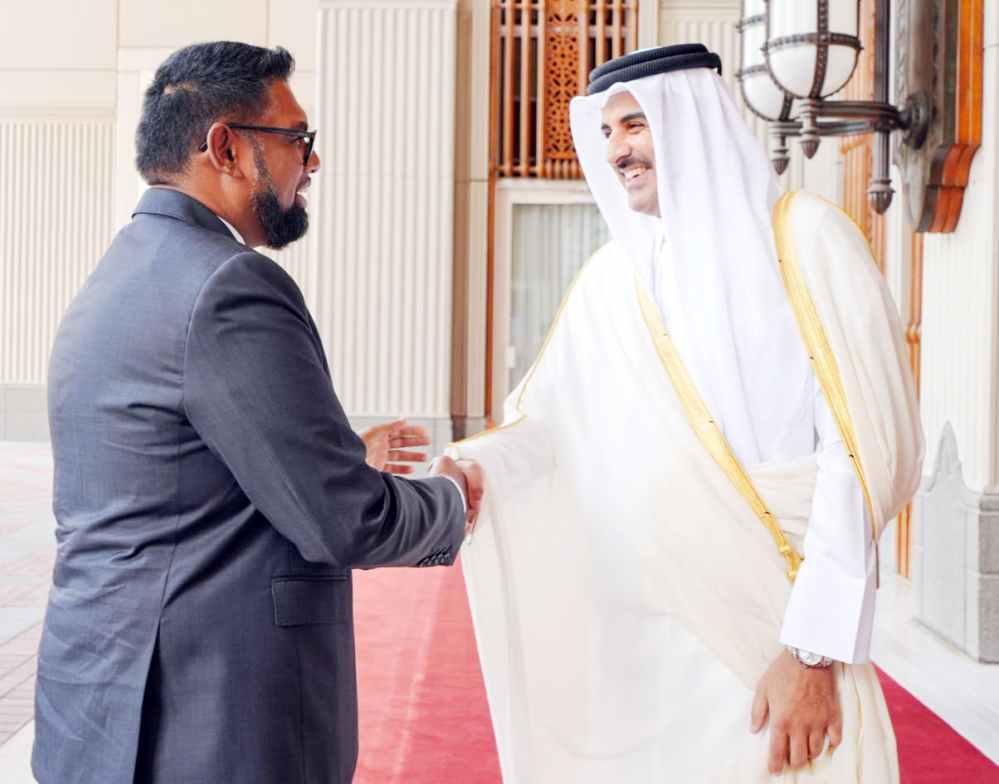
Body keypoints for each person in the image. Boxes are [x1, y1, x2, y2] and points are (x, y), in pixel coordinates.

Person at [450, 44, 923, 782]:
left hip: (781, 618)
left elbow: (861, 452)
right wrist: (468, 470)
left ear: (691, 122)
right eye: (607, 133)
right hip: (655, 633)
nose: (617, 151)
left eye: (635, 125)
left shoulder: (806, 241)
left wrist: (812, 653)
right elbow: (547, 425)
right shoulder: (616, 279)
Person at [32, 41, 482, 784]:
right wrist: (453, 499)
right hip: (208, 721)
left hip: (104, 705)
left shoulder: (119, 274)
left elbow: (174, 477)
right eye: (298, 139)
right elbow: (346, 521)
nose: (312, 162)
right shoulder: (230, 284)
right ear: (227, 148)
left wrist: (341, 456)